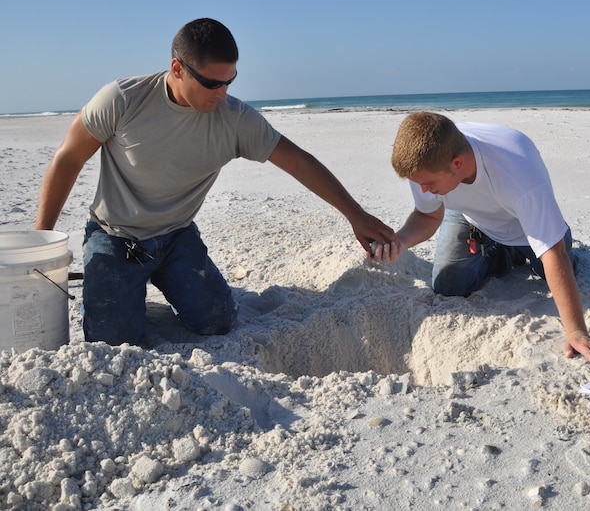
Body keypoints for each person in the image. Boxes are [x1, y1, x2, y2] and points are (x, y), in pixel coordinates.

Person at [36, 18, 395, 346]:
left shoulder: (234, 119)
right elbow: (68, 159)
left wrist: (356, 215)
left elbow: (299, 162)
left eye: (229, 82)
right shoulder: (123, 99)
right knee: (112, 342)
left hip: (177, 237)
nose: (222, 93)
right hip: (115, 237)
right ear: (177, 68)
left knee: (219, 321)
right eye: (211, 83)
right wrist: (41, 240)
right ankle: (119, 305)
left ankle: (147, 297)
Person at [370, 110, 590, 366]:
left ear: (457, 163)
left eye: (428, 183)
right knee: (449, 286)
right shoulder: (425, 163)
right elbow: (428, 216)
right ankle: (501, 252)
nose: (423, 190)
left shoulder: (518, 171)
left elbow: (554, 254)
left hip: (524, 226)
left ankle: (551, 231)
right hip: (473, 219)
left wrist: (577, 332)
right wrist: (399, 242)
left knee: (555, 268)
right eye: (418, 183)